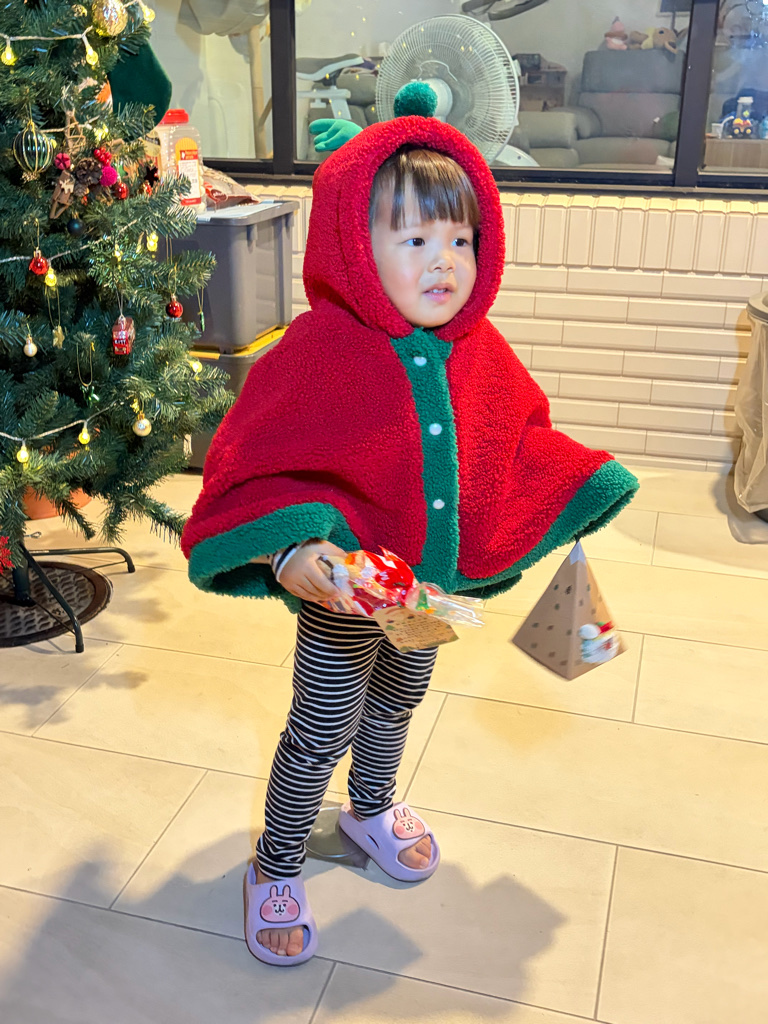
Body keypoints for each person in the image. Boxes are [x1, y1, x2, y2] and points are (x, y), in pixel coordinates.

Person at [181, 107, 638, 967]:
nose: (445, 262)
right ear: (354, 246)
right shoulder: (317, 352)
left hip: (426, 593)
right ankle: (276, 862)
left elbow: (516, 437)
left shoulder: (478, 348)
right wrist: (292, 550)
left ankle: (372, 806)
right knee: (321, 727)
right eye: (416, 239)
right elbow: (256, 462)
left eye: (462, 239)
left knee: (397, 703)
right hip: (343, 593)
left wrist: (582, 482)